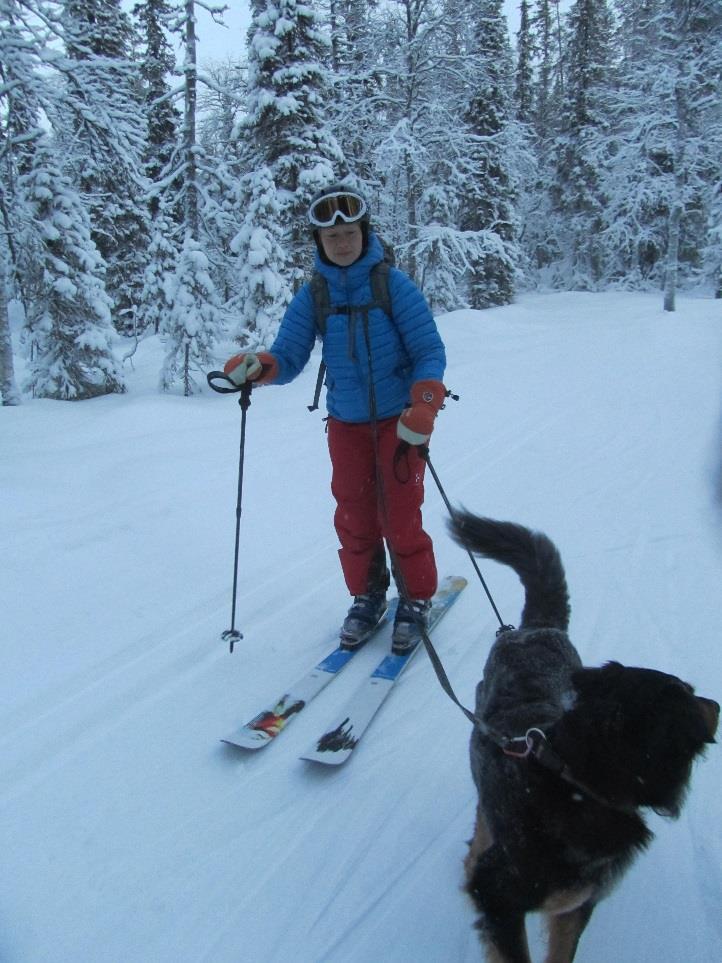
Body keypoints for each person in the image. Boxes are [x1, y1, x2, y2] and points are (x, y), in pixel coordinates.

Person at [224, 184, 447, 654]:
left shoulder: (393, 286)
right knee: (354, 514)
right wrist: (257, 367)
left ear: (364, 234)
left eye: (349, 233)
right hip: (345, 424)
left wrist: (425, 402)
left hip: (398, 422)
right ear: (319, 243)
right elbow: (288, 355)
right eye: (332, 237)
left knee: (400, 512)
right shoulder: (315, 296)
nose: (342, 243)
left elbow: (429, 351)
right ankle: (368, 597)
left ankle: (415, 598)